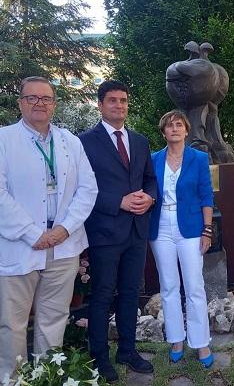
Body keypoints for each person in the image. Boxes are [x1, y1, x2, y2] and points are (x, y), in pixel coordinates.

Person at [0, 76, 98, 384]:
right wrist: (33, 234)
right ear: (20, 103)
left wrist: (65, 229)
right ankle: (13, 381)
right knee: (10, 325)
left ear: (54, 104)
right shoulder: (1, 141)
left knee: (53, 320)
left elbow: (88, 188)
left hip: (62, 245)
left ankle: (46, 377)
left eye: (46, 99)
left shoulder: (70, 141)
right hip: (16, 247)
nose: (39, 104)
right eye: (32, 98)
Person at [79, 80, 158, 382]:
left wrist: (149, 197)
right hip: (105, 232)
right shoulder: (85, 142)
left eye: (123, 100)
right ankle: (99, 359)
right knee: (101, 296)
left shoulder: (139, 140)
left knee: (130, 293)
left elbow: (150, 178)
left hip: (137, 231)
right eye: (112, 100)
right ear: (100, 105)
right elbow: (81, 188)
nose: (119, 105)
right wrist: (119, 201)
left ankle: (128, 350)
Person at [148, 110, 215, 367]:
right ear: (163, 131)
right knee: (168, 286)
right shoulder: (153, 159)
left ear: (186, 130)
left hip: (190, 228)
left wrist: (207, 230)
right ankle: (176, 339)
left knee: (194, 286)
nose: (174, 129)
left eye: (179, 125)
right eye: (169, 125)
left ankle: (200, 343)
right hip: (160, 227)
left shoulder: (198, 158)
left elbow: (206, 195)